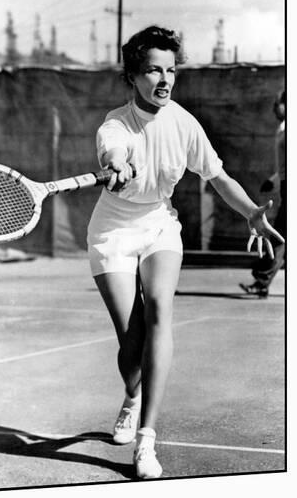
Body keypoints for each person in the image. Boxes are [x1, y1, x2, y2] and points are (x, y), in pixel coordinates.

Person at [86, 25, 284, 479]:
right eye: (153, 70)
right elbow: (112, 150)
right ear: (132, 76)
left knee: (159, 309)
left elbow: (218, 177)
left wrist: (251, 211)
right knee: (131, 344)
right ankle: (131, 397)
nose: (165, 79)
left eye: (171, 69)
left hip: (159, 223)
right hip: (113, 230)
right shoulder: (116, 124)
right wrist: (115, 164)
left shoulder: (185, 123)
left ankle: (146, 440)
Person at [240, 90, 286, 297]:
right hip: (285, 186)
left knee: (280, 237)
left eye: (278, 103)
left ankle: (262, 279)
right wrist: (275, 179)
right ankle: (262, 279)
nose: (275, 108)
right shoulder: (283, 128)